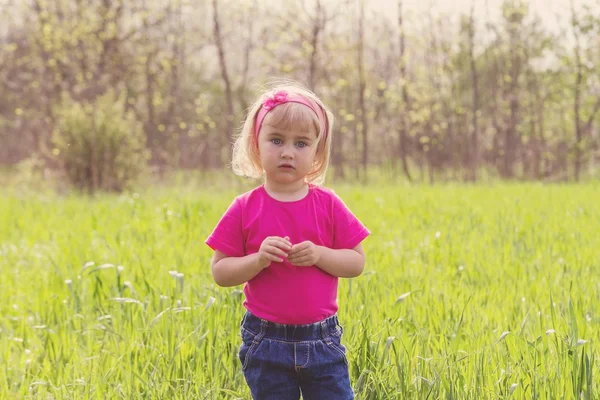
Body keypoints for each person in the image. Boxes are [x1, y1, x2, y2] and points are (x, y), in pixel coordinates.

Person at [205, 81, 370, 399]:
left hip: (322, 341)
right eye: (276, 140)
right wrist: (258, 259)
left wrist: (321, 254)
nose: (287, 152)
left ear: (317, 152)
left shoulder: (328, 204)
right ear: (256, 144)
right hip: (265, 342)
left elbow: (357, 262)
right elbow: (220, 272)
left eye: (301, 144)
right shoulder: (244, 207)